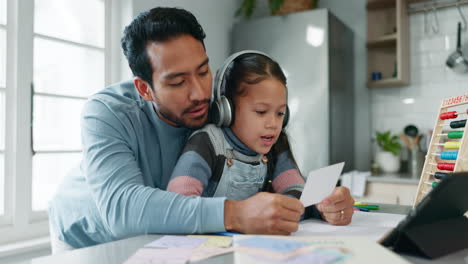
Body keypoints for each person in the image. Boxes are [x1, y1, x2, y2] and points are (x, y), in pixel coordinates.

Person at [48, 7, 355, 253]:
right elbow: (121, 209)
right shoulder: (106, 112)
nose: (198, 93)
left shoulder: (221, 107)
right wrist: (235, 213)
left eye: (203, 71)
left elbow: (257, 172)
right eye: (177, 81)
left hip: (163, 235)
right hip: (88, 239)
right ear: (145, 89)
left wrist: (319, 204)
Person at [167, 50, 349, 222]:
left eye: (280, 113)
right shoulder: (206, 143)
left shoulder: (276, 145)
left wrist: (324, 207)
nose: (273, 124)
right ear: (226, 110)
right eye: (261, 112)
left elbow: (297, 190)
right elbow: (178, 205)